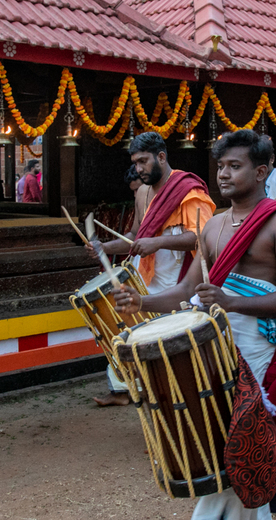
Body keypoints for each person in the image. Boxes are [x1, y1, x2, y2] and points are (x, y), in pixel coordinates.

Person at [113, 129, 276, 520]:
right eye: (220, 167)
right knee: (224, 441)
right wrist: (141, 300)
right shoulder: (214, 226)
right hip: (214, 347)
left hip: (258, 352)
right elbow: (185, 293)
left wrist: (231, 302)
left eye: (235, 166)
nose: (224, 174)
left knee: (237, 445)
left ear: (262, 171)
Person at [88, 132, 215, 406]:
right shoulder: (143, 192)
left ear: (161, 156)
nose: (139, 169)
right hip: (143, 277)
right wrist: (105, 248)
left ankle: (180, 405)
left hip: (178, 282)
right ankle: (142, 397)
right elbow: (135, 237)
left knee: (170, 347)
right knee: (134, 338)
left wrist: (157, 242)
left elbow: (203, 238)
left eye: (144, 161)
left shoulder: (188, 191)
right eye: (135, 163)